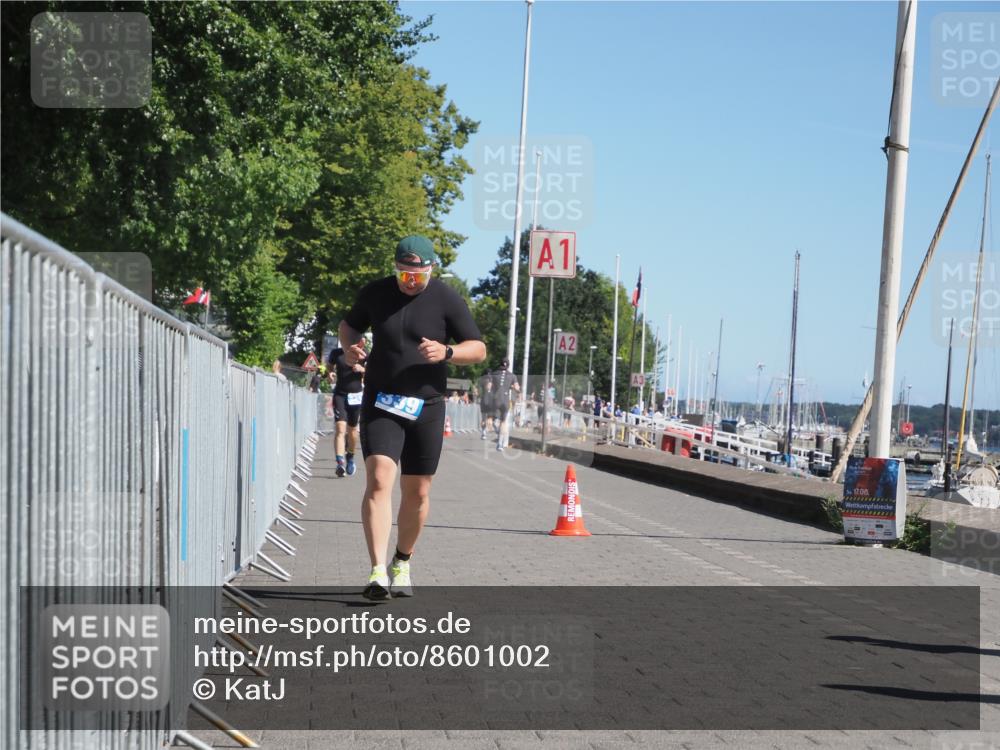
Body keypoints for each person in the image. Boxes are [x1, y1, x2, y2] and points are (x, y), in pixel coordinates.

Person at [340, 235, 486, 600]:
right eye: (403, 274)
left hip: (427, 406)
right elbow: (349, 326)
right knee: (379, 479)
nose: (409, 282)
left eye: (417, 276)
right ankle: (377, 571)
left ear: (431, 270)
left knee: (418, 491)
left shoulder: (446, 299)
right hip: (382, 401)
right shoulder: (375, 293)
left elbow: (478, 348)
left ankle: (402, 561)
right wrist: (349, 348)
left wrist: (448, 351)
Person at [327, 339, 366, 478]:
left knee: (352, 431)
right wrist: (330, 373)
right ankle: (340, 463)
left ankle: (350, 456)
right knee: (340, 429)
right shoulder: (336, 353)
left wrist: (363, 369)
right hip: (340, 395)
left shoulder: (364, 354)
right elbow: (329, 366)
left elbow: (375, 373)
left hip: (356, 396)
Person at [490, 358, 520, 451]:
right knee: (503, 422)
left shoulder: (494, 374)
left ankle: (497, 432)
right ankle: (500, 444)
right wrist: (512, 387)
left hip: (496, 400)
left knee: (495, 421)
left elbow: (489, 387)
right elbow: (517, 388)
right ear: (508, 365)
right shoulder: (512, 376)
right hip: (506, 401)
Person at [478, 369, 495, 440]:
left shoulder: (481, 380)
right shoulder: (492, 380)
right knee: (490, 417)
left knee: (483, 418)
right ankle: (492, 428)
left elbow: (479, 391)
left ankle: (483, 433)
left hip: (483, 400)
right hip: (490, 400)